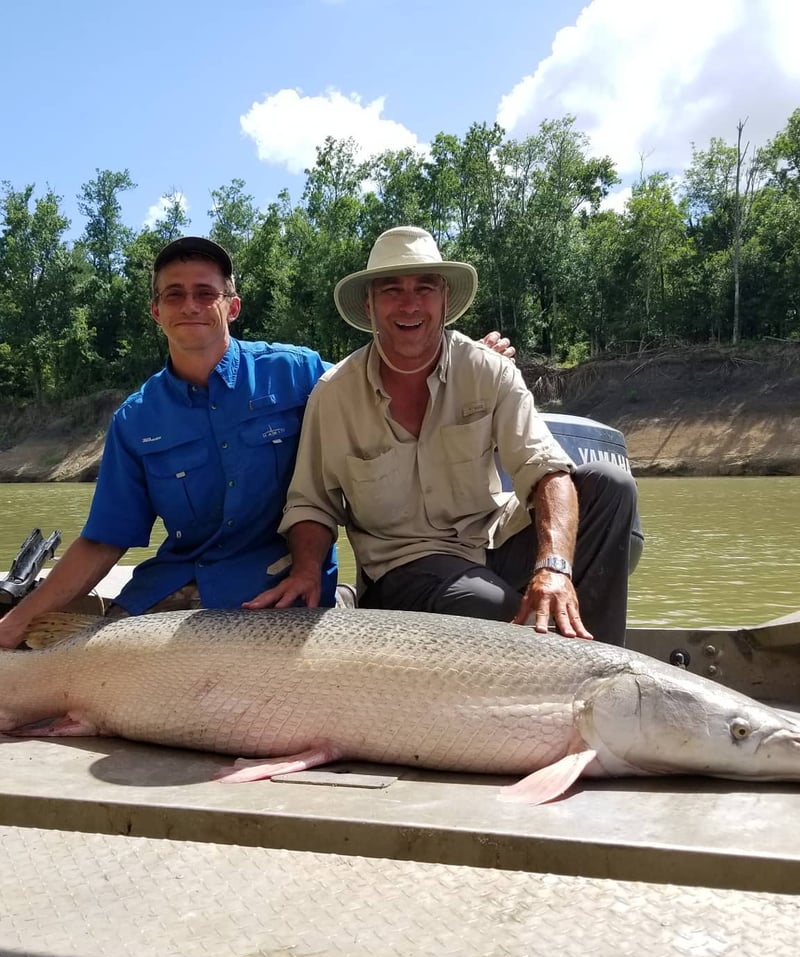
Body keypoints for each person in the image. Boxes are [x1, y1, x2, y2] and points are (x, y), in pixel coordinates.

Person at [0, 236, 513, 649]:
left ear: (233, 305)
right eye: (174, 294)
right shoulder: (136, 420)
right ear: (156, 312)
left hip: (277, 589)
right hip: (171, 585)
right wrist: (19, 620)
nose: (191, 305)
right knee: (87, 669)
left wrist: (465, 360)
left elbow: (380, 382)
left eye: (206, 292)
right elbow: (104, 539)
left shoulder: (298, 374)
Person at [245, 226, 638, 646]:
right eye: (391, 289)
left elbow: (546, 470)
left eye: (425, 287)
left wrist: (554, 567)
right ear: (371, 305)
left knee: (609, 485)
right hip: (401, 568)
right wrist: (306, 572)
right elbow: (311, 502)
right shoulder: (334, 393)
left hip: (491, 539)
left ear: (445, 299)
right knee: (486, 606)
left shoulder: (490, 370)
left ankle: (598, 665)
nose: (410, 303)